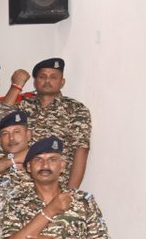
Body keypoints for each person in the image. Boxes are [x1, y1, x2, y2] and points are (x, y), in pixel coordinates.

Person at [17, 58, 91, 188]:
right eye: (42, 77)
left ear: (62, 82)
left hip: (57, 187)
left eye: (53, 77)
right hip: (22, 186)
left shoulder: (75, 109)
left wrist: (70, 192)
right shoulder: (22, 107)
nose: (47, 81)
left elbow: (81, 150)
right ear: (35, 82)